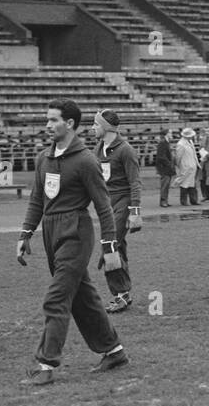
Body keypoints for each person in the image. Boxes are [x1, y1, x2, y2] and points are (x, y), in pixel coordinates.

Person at [15, 98, 128, 386]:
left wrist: (110, 247)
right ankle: (113, 350)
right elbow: (37, 200)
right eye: (47, 119)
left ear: (71, 124)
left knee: (56, 298)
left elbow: (104, 207)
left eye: (54, 120)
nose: (48, 125)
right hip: (51, 233)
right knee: (83, 298)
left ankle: (45, 364)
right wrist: (26, 233)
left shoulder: (86, 161)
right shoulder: (44, 158)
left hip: (76, 232)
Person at [92, 110, 143, 314]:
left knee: (110, 247)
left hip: (124, 203)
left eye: (96, 124)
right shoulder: (98, 149)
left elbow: (135, 183)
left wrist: (135, 212)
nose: (92, 128)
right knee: (117, 247)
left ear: (106, 127)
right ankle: (124, 293)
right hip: (107, 206)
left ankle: (120, 294)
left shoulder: (126, 150)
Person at [175, 128, 199, 205]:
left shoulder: (190, 142)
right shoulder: (180, 144)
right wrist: (180, 165)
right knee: (184, 183)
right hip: (185, 166)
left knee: (192, 183)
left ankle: (193, 200)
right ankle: (183, 200)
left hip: (192, 165)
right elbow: (178, 157)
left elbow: (194, 154)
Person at [154, 128, 175, 207]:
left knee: (166, 185)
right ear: (166, 134)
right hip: (164, 168)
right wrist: (169, 163)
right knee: (165, 185)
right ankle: (163, 201)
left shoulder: (166, 143)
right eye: (170, 133)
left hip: (166, 167)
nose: (171, 134)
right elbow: (161, 156)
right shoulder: (163, 143)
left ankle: (165, 200)